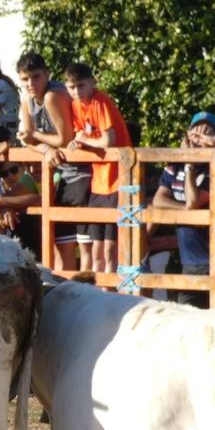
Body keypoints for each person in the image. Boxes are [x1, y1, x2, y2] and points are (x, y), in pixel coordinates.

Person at [13, 51, 87, 269]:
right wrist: (45, 149)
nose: (31, 83)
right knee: (58, 242)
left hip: (78, 172)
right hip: (58, 173)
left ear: (47, 74)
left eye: (36, 77)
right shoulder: (26, 98)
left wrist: (35, 136)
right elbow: (25, 139)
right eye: (25, 79)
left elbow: (64, 139)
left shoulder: (52, 96)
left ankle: (80, 295)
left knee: (81, 247)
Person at [66, 62, 131, 276]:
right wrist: (79, 142)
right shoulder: (76, 106)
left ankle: (110, 291)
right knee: (96, 247)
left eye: (81, 86)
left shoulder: (100, 101)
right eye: (71, 87)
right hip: (99, 182)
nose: (76, 92)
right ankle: (99, 290)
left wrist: (84, 139)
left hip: (117, 180)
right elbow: (81, 135)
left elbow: (108, 140)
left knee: (110, 247)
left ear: (92, 82)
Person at [153, 112, 215, 305]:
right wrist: (186, 211)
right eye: (195, 134)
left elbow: (193, 200)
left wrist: (190, 164)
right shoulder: (174, 166)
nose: (198, 140)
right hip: (189, 261)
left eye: (206, 134)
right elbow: (158, 200)